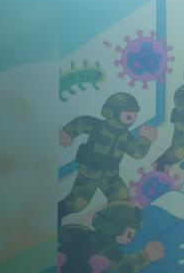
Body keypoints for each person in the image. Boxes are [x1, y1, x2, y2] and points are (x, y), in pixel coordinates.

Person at [58, 92, 158, 222]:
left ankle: (108, 222)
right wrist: (68, 132)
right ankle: (56, 215)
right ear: (112, 112)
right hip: (89, 173)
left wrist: (145, 139)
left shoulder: (126, 136)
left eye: (134, 114)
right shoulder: (99, 126)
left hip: (110, 175)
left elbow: (136, 153)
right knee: (77, 203)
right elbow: (82, 122)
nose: (133, 117)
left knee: (121, 196)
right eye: (128, 113)